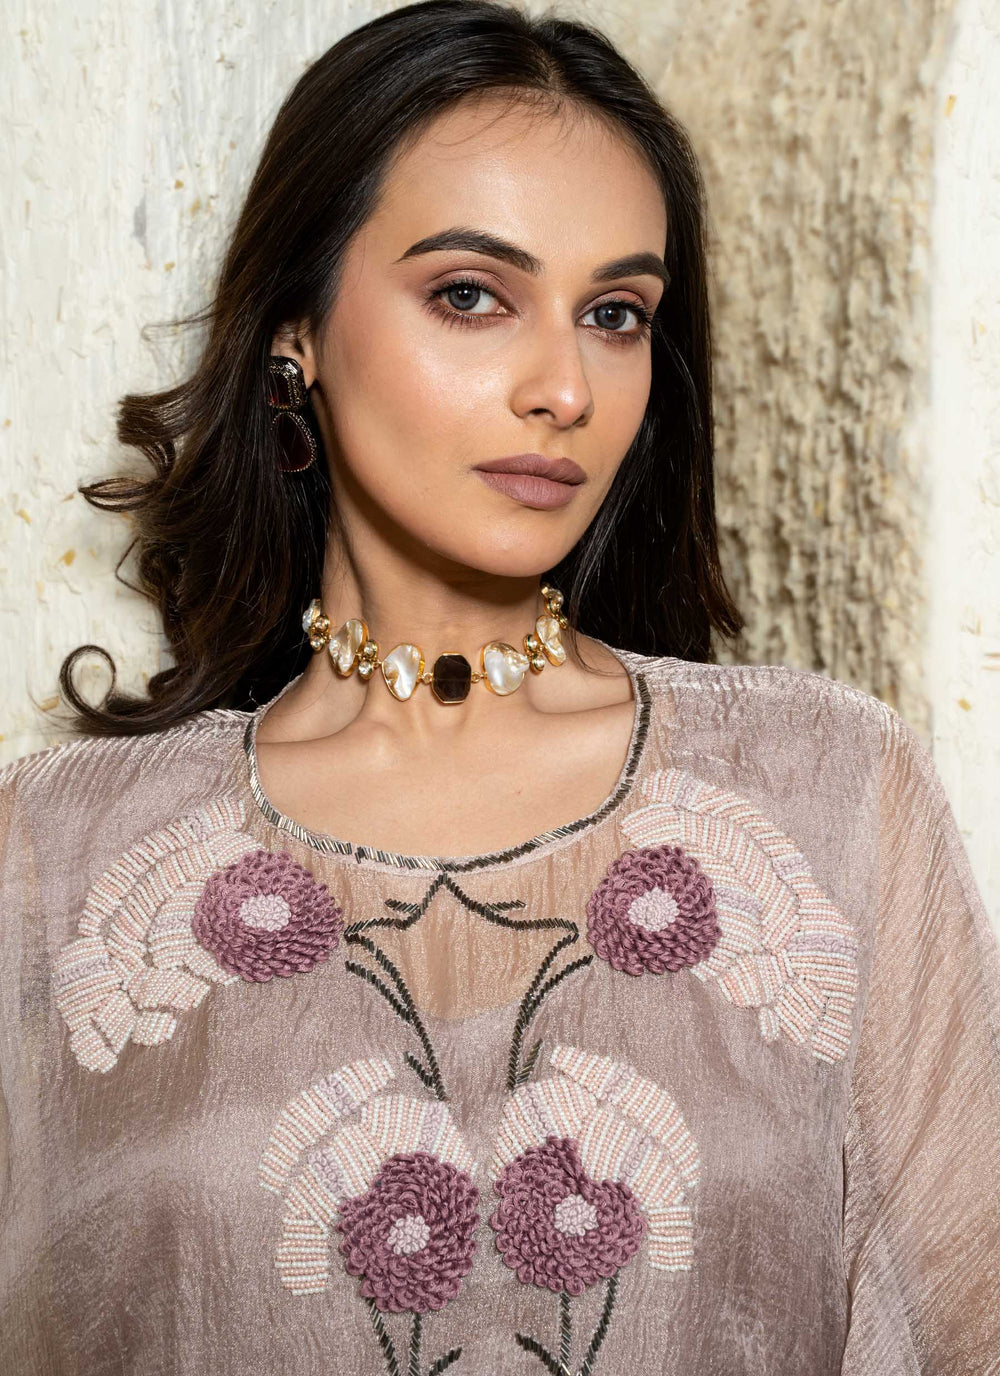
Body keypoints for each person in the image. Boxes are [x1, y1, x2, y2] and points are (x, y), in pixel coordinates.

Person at [1, 1, 998, 1372]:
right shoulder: (58, 861)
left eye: (616, 314)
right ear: (296, 330)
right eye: (470, 294)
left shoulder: (828, 799)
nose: (565, 387)